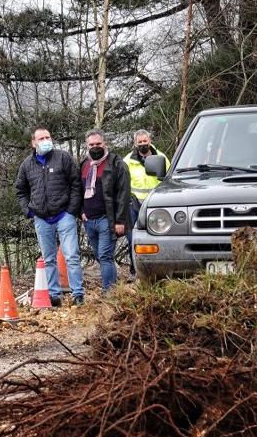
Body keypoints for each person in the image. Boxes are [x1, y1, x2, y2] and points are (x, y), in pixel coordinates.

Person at [14, 127, 85, 306]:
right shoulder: (27, 165)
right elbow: (20, 190)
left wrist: (71, 210)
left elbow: (76, 184)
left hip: (64, 216)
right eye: (41, 138)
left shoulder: (63, 158)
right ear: (33, 142)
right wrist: (28, 210)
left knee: (72, 256)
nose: (46, 140)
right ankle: (54, 295)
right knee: (49, 259)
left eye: (48, 137)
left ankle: (78, 294)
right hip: (41, 218)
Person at [79, 129, 132, 290]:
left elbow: (124, 194)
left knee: (105, 255)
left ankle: (108, 292)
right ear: (87, 146)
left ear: (105, 144)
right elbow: (77, 190)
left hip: (107, 219)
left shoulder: (117, 164)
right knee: (99, 256)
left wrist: (120, 221)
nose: (95, 147)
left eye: (98, 144)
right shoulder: (84, 165)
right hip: (89, 219)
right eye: (91, 144)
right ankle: (115, 288)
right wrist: (80, 212)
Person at [123, 129, 170, 272]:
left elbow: (169, 180)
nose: (143, 144)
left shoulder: (162, 157)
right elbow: (122, 183)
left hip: (156, 203)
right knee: (133, 238)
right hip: (134, 203)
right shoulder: (128, 161)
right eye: (140, 142)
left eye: (145, 141)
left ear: (150, 141)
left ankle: (159, 267)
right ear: (135, 144)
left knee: (158, 237)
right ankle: (135, 268)